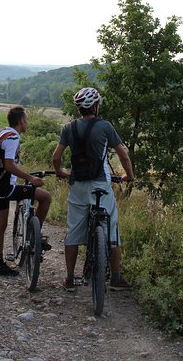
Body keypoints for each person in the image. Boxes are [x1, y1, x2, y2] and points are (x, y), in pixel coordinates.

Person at [51, 87, 135, 291]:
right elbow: (123, 155)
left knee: (73, 231)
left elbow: (56, 157)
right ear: (95, 107)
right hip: (101, 185)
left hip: (78, 184)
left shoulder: (68, 128)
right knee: (112, 229)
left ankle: (70, 279)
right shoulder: (105, 126)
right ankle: (115, 278)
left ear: (79, 108)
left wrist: (61, 172)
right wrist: (129, 176)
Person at [0, 106, 53, 276]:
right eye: (27, 119)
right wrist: (30, 178)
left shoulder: (1, 132)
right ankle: (34, 237)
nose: (28, 122)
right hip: (7, 188)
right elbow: (9, 165)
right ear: (21, 121)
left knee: (0, 225)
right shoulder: (13, 137)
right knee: (46, 198)